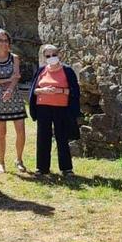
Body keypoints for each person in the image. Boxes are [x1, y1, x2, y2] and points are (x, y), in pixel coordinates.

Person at [27, 44, 81, 177]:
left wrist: (60, 91)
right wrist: (43, 90)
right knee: (43, 137)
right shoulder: (41, 71)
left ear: (59, 55)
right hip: (43, 108)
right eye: (48, 56)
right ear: (44, 58)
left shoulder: (67, 71)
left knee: (62, 137)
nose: (51, 58)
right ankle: (42, 168)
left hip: (61, 109)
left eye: (54, 55)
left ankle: (66, 168)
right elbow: (33, 90)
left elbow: (74, 91)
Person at [0, 29, 27, 174]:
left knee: (21, 130)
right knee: (1, 132)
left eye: (6, 40)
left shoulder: (14, 58)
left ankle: (19, 160)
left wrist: (9, 89)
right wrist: (7, 80)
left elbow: (16, 76)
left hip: (13, 95)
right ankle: (1, 163)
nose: (3, 43)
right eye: (0, 40)